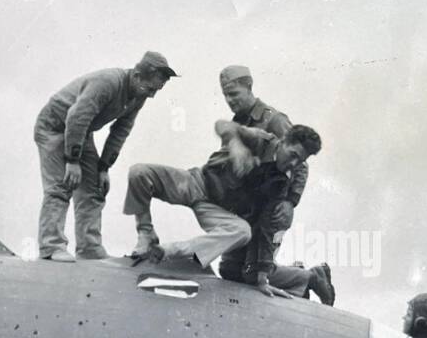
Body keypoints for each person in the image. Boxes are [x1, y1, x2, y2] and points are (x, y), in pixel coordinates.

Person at [123, 120, 334, 303]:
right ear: (284, 142)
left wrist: (262, 280)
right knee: (140, 173)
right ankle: (146, 235)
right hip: (197, 183)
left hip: (216, 209)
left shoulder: (281, 183)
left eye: (300, 161)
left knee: (242, 233)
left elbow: (266, 229)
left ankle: (173, 252)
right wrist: (236, 146)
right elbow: (224, 125)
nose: (293, 163)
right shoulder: (261, 140)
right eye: (293, 154)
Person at [34, 51, 176, 262]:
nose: (152, 95)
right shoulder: (108, 82)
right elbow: (76, 116)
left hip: (81, 132)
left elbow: (121, 130)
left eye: (156, 90)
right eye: (150, 88)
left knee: (93, 190)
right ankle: (51, 246)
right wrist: (72, 161)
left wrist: (103, 167)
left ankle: (89, 248)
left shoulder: (139, 95)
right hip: (55, 126)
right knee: (61, 186)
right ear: (137, 76)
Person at [215, 66, 309, 287]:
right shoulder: (236, 125)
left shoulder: (274, 120)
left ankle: (309, 277)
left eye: (234, 94)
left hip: (271, 209)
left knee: (255, 272)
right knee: (229, 270)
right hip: (244, 212)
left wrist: (290, 201)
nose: (229, 100)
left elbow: (301, 164)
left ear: (249, 87)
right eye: (225, 95)